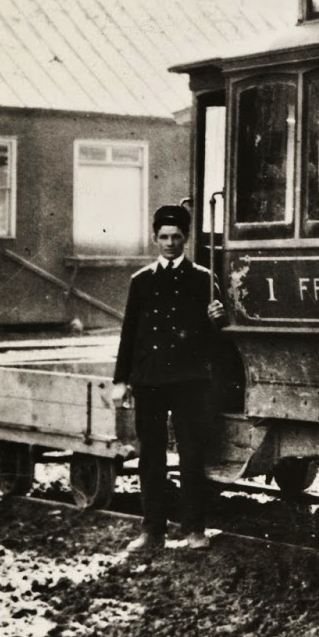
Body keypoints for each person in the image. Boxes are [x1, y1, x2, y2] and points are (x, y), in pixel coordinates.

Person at [110, 204, 229, 555]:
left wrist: (218, 319)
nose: (170, 243)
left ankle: (193, 529)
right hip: (149, 381)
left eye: (177, 237)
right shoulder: (141, 281)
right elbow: (129, 333)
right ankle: (152, 531)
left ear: (187, 239)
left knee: (191, 455)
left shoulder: (204, 279)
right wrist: (121, 380)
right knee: (151, 457)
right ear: (154, 239)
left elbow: (219, 340)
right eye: (164, 237)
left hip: (189, 382)